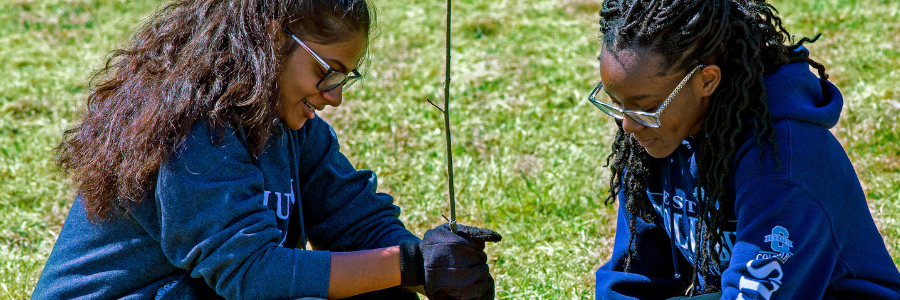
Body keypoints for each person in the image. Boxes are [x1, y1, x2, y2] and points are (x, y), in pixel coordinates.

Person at [32, 0, 500, 299]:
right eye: (328, 71)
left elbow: (356, 222)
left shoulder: (294, 128)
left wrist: (431, 270)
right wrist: (406, 264)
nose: (334, 95)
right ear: (274, 40)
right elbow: (250, 274)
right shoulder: (189, 127)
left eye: (344, 78)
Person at [586, 0, 900, 299]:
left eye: (645, 107)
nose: (628, 125)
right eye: (617, 104)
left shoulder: (783, 161)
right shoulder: (657, 131)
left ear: (706, 80)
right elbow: (634, 280)